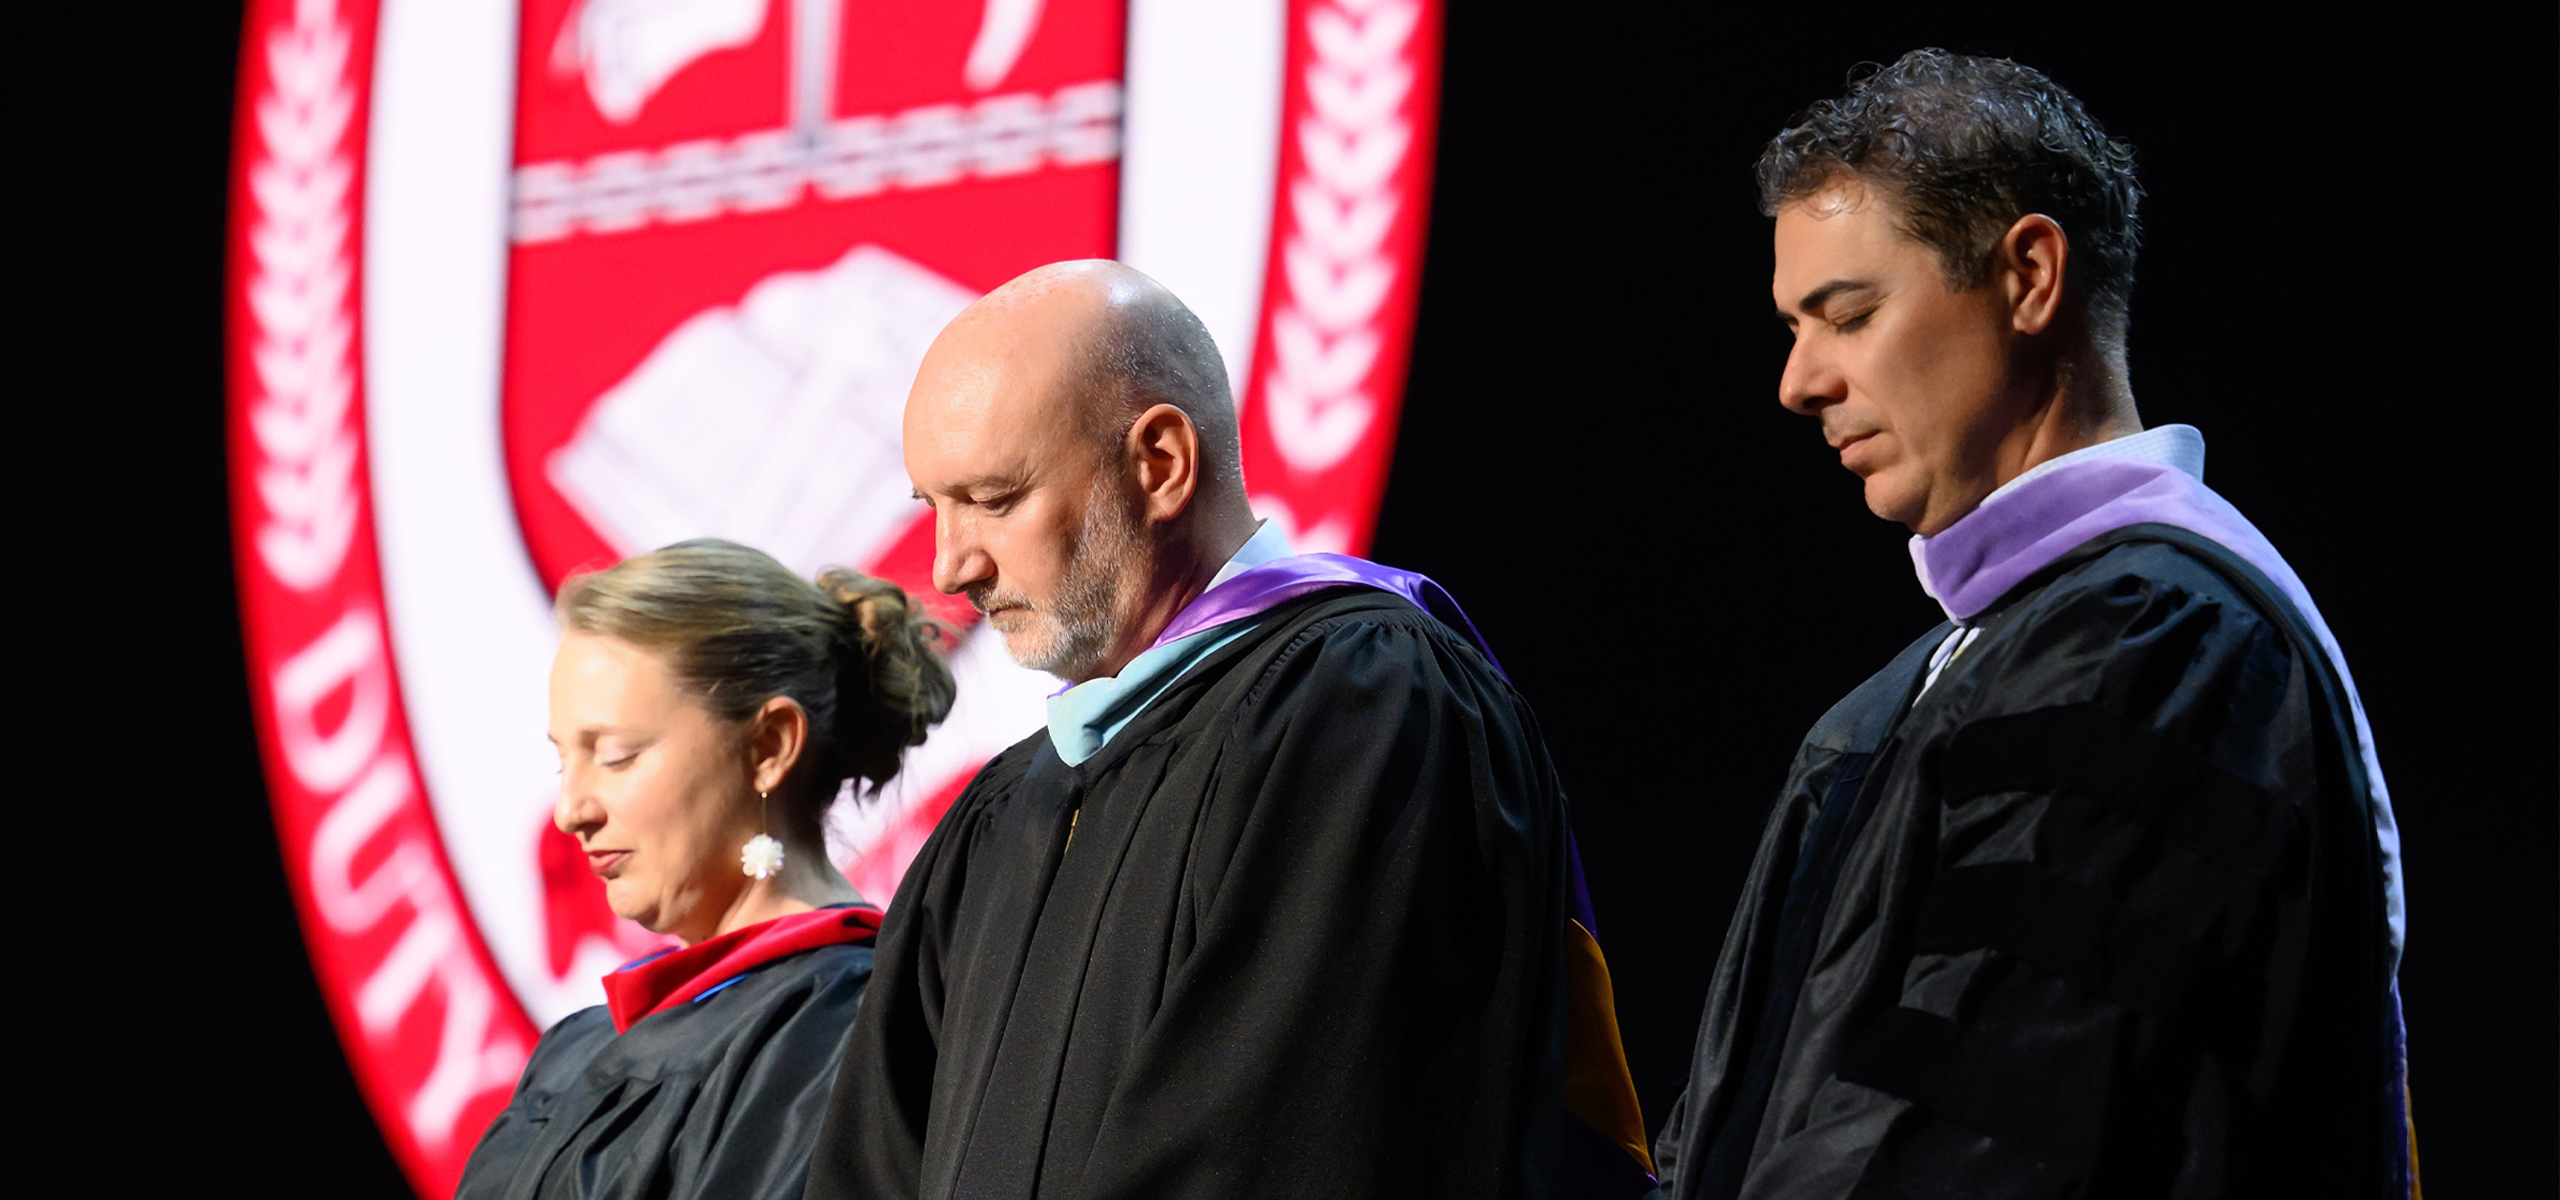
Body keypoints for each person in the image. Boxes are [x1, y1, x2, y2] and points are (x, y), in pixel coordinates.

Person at [1648, 50, 2414, 1199]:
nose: (1797, 382)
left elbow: (1984, 1140)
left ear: (2029, 276)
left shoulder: (2160, 643)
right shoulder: (1933, 679)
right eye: (1793, 328)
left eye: (1846, 315)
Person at [802, 261, 1656, 1199]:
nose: (951, 564)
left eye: (995, 500)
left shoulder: (1363, 706)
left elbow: (1278, 1147)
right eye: (934, 507)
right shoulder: (1003, 813)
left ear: (1160, 463)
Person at [456, 539, 955, 1200]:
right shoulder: (577, 1046)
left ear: (769, 745)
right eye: (563, 760)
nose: (570, 811)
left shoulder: (849, 1031)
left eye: (617, 755)